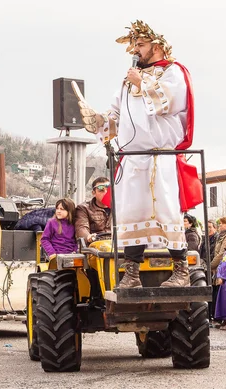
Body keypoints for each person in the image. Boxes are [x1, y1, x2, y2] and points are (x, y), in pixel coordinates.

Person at [78, 20, 197, 288]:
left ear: (156, 45)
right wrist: (98, 121)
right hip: (132, 155)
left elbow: (168, 104)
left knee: (166, 210)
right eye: (134, 46)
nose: (136, 51)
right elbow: (116, 115)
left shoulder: (172, 72)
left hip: (159, 155)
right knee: (132, 214)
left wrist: (141, 82)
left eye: (140, 45)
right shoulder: (128, 80)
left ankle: (181, 271)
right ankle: (130, 274)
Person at [75, 177, 112, 244]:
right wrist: (88, 237)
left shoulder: (119, 208)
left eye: (108, 190)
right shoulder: (84, 208)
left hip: (116, 246)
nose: (106, 193)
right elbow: (82, 227)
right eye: (101, 190)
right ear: (93, 193)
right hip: (94, 247)